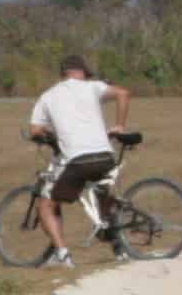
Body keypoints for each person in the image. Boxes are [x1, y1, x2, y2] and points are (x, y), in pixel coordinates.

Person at [24, 53, 134, 266]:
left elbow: (35, 129)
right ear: (81, 72)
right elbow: (124, 93)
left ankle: (63, 254)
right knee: (102, 193)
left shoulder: (48, 96)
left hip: (77, 160)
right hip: (105, 155)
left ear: (63, 74)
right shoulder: (92, 87)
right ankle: (118, 245)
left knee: (46, 205)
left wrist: (49, 135)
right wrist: (120, 125)